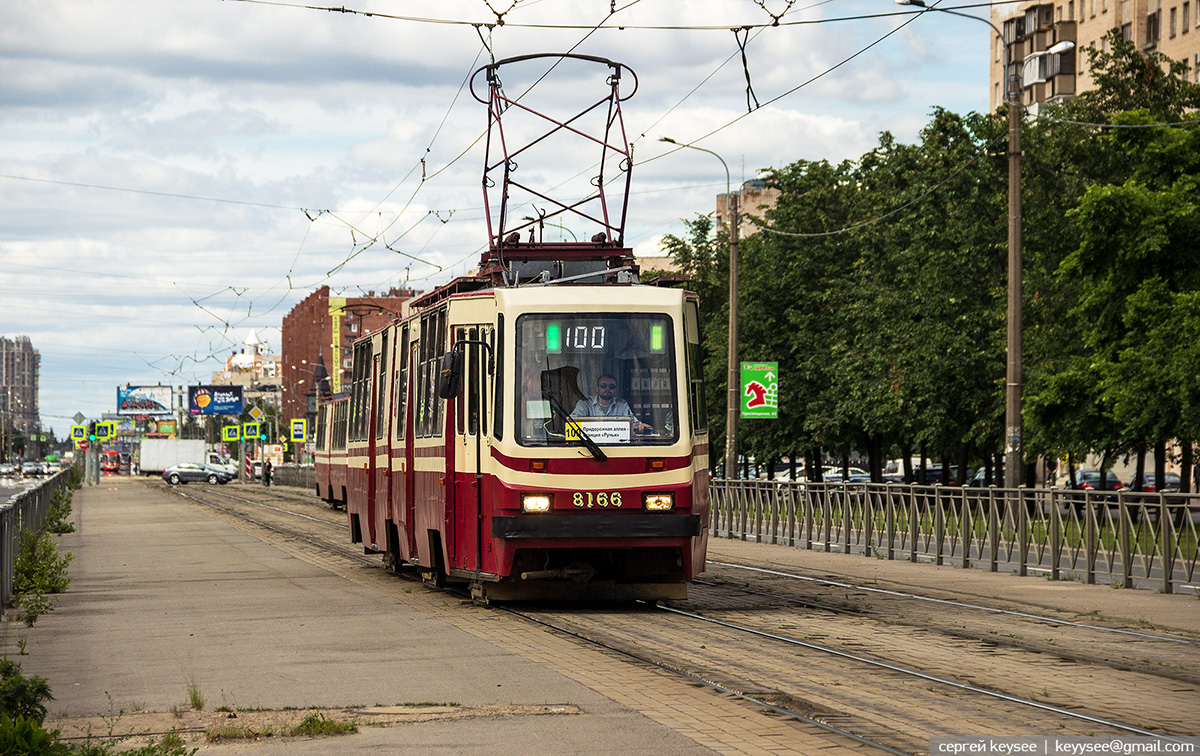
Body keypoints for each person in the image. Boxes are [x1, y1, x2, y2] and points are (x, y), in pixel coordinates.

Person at [571, 373, 650, 432]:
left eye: (611, 386)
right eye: (603, 386)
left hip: (617, 446)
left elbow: (633, 423)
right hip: (590, 445)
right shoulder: (585, 404)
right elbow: (572, 422)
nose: (607, 389)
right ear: (597, 388)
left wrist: (639, 426)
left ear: (615, 390)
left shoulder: (622, 405)